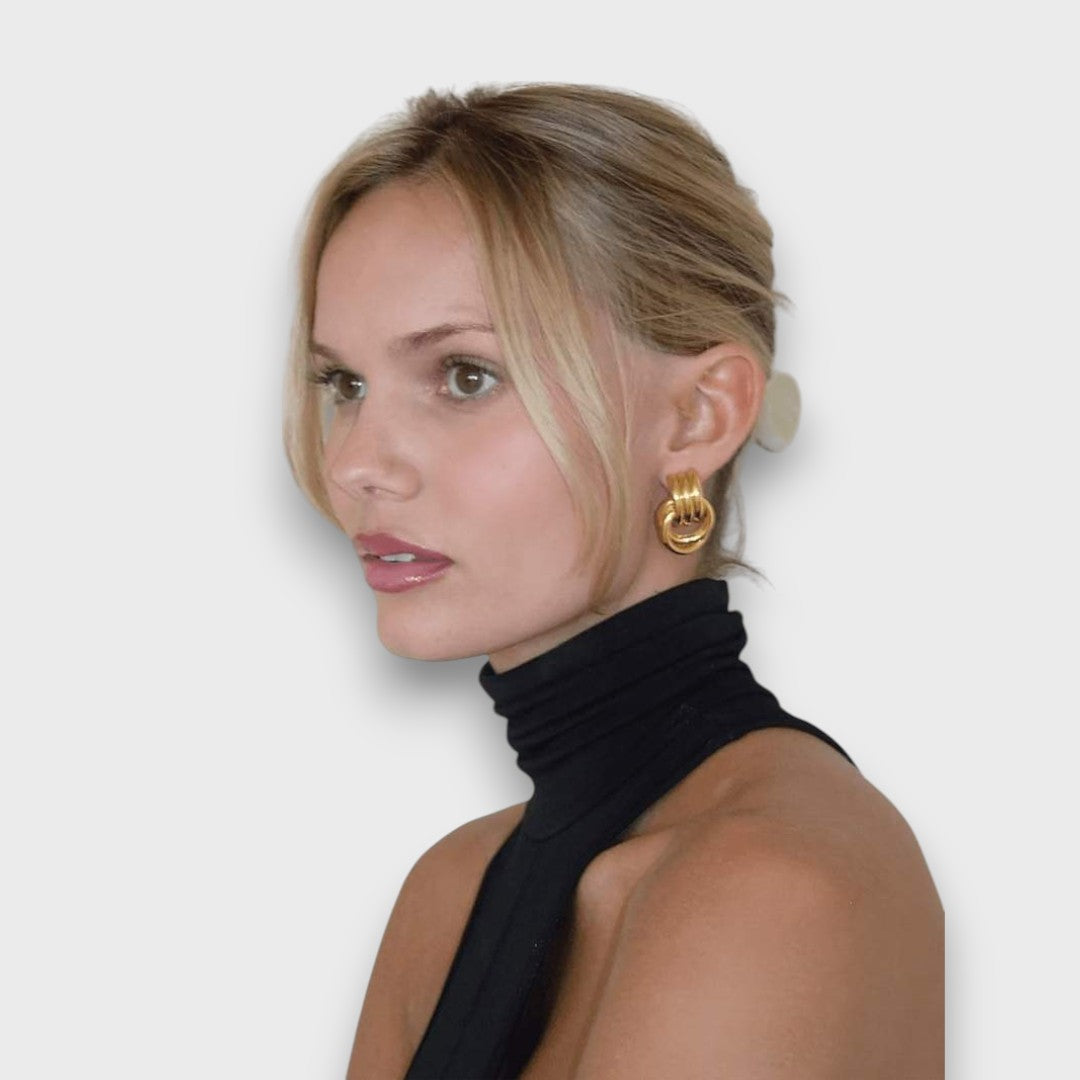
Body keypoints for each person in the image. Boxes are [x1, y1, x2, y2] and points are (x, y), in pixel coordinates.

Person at [282, 82, 943, 1079]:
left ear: (698, 416)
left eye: (465, 375)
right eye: (345, 384)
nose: (357, 465)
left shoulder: (772, 887)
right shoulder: (450, 892)